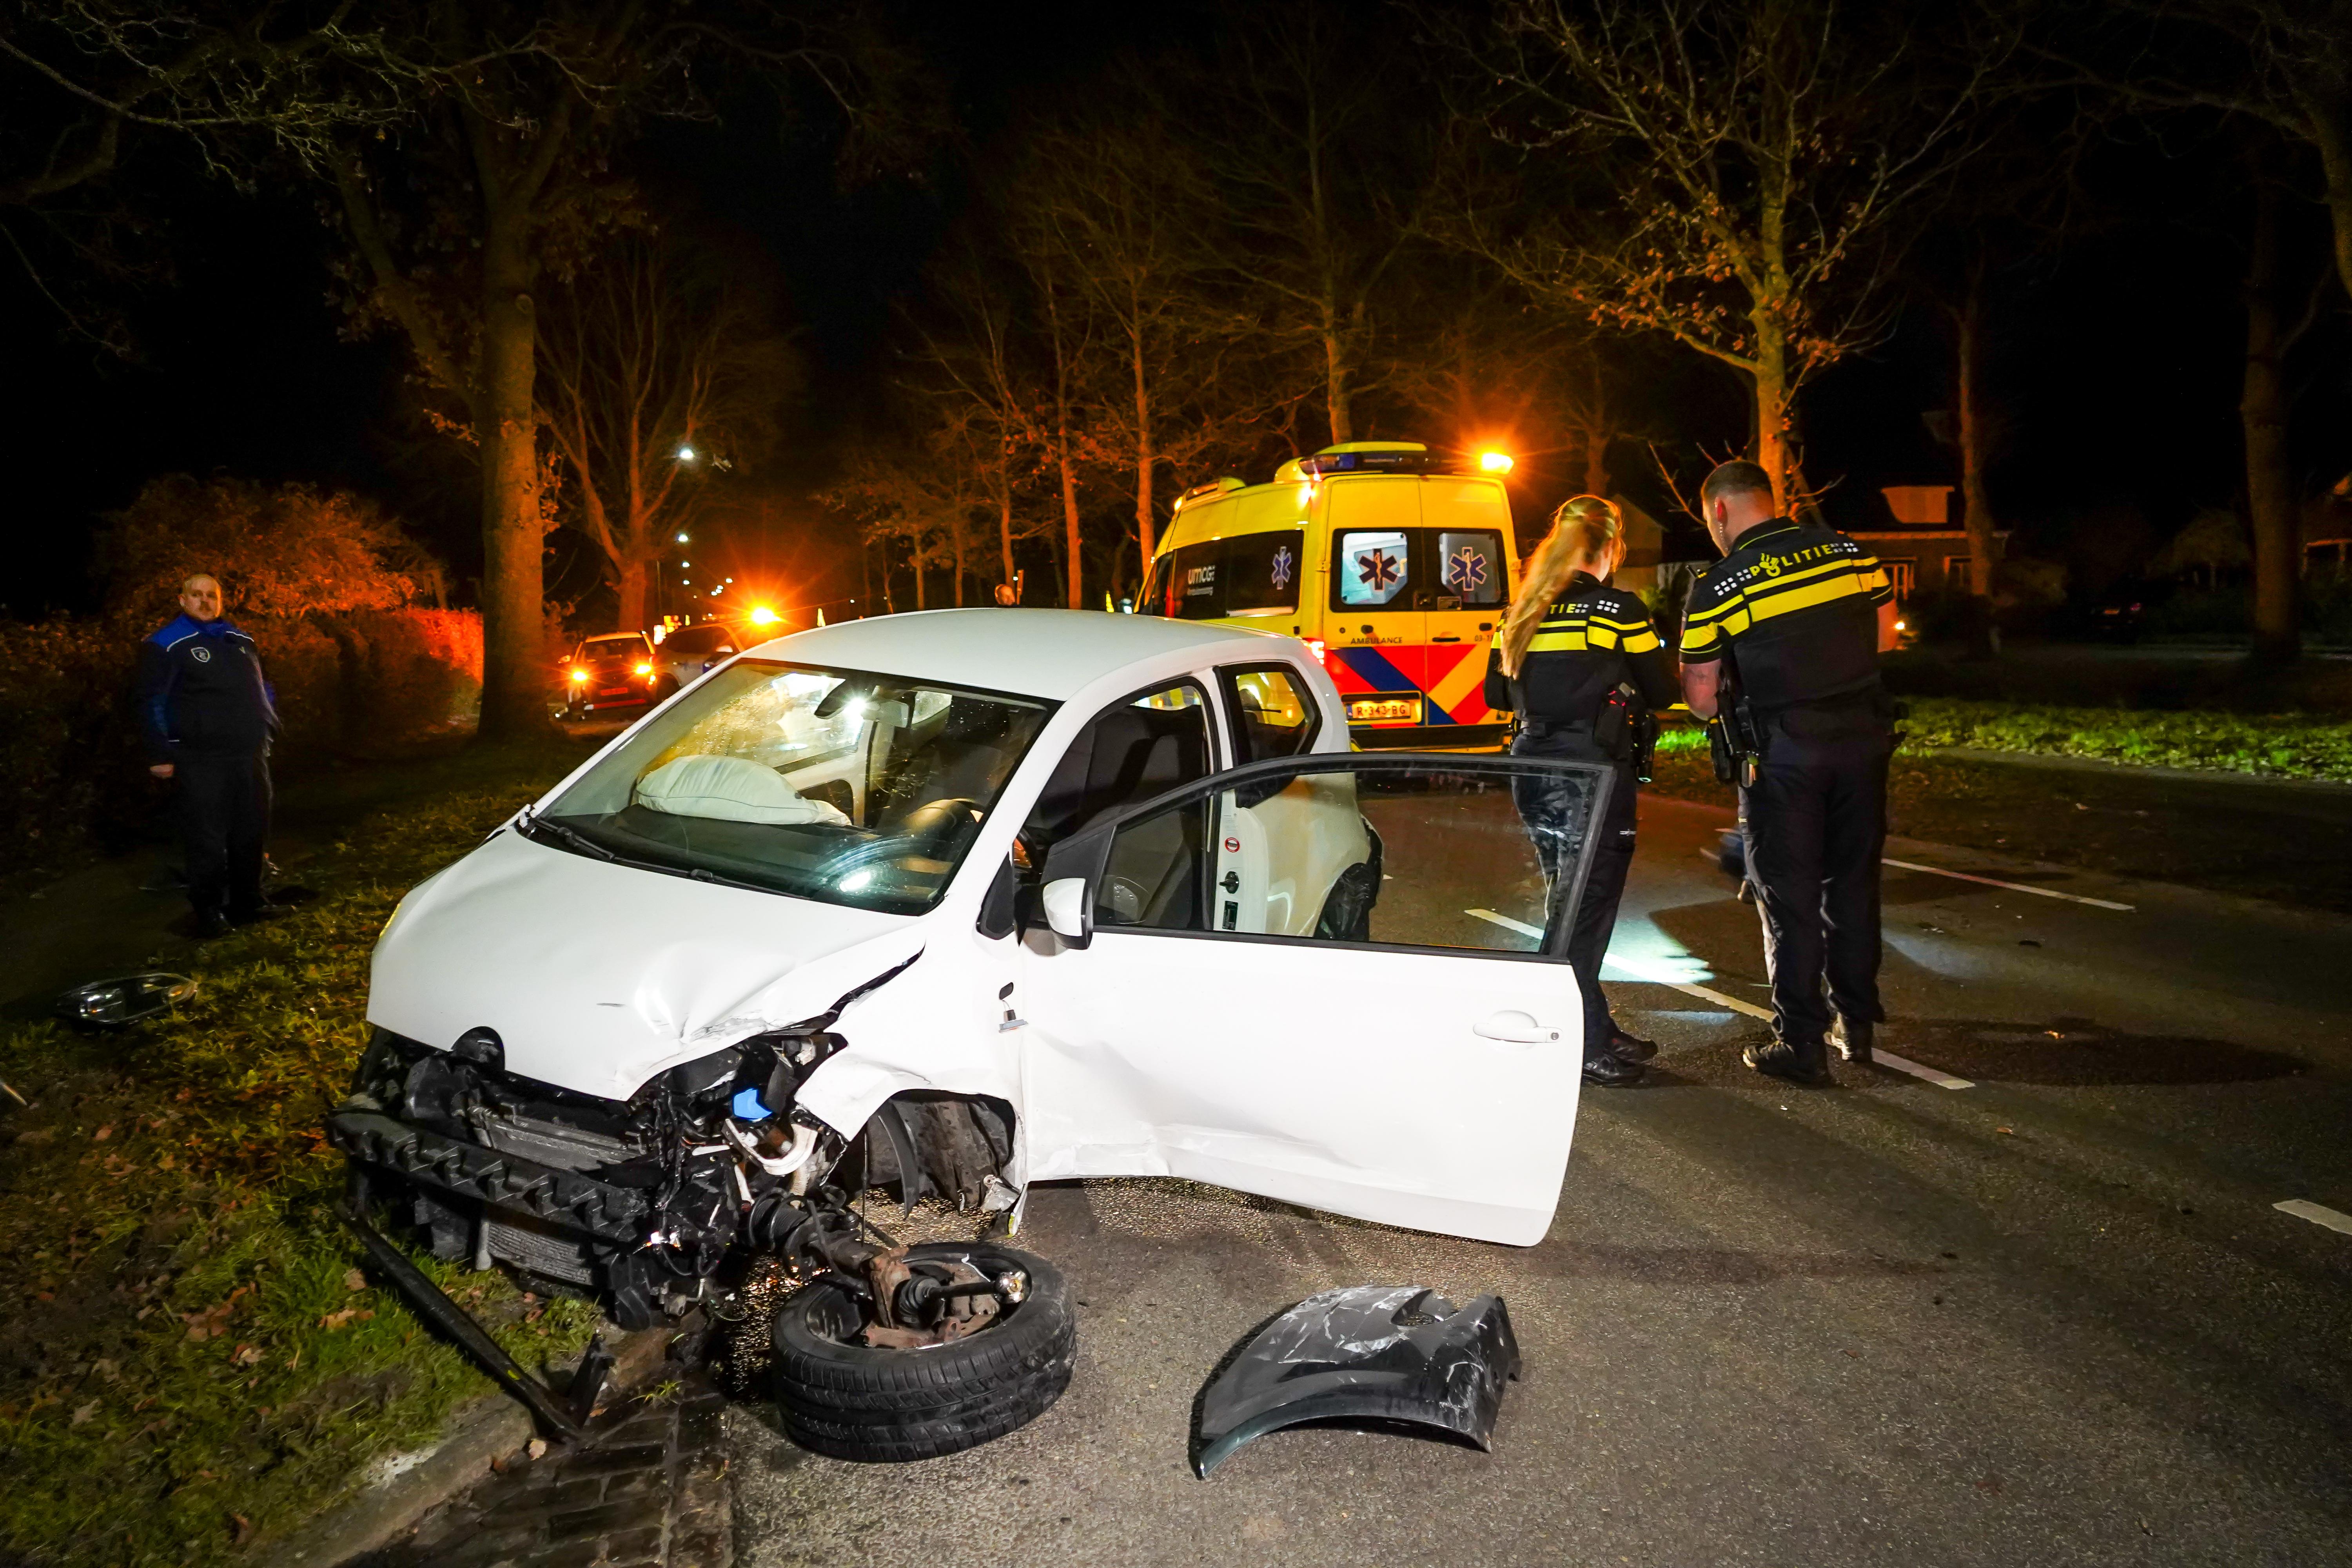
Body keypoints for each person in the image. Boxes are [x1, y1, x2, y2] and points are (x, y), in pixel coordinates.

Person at [1678, 461, 1900, 1085]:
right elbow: (1885, 640)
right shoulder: (1850, 553)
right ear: (1771, 500)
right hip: (1862, 743)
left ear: (1719, 512)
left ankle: (1801, 1042)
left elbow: (1700, 696)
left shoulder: (1723, 584)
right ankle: (1856, 1024)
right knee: (1853, 886)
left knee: (1789, 899)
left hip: (1783, 757)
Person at [1486, 495, 1680, 1088]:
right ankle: (1573, 1040)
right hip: (1592, 776)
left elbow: (1497, 696)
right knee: (1586, 910)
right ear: (1610, 549)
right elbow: (1663, 687)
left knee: (1567, 903)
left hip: (1532, 772)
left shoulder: (1522, 611)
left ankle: (1597, 1026)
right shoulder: (1617, 609)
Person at [137, 573, 283, 938]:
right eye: (197, 595)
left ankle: (250, 901)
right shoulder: (166, 643)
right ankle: (209, 911)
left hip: (248, 753)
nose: (205, 601)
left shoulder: (240, 639)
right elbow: (149, 699)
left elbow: (262, 685)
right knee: (207, 837)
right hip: (199, 756)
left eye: (212, 596)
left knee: (251, 828)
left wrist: (268, 723)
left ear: (221, 601)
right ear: (182, 600)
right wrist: (159, 752)